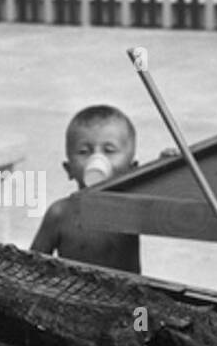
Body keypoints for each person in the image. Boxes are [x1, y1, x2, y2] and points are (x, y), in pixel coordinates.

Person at [31, 104, 141, 273]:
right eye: (84, 151)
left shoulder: (134, 208)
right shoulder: (60, 213)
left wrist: (170, 164)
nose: (96, 159)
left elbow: (170, 202)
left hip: (125, 297)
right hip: (73, 295)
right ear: (69, 170)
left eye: (109, 150)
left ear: (132, 168)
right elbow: (31, 265)